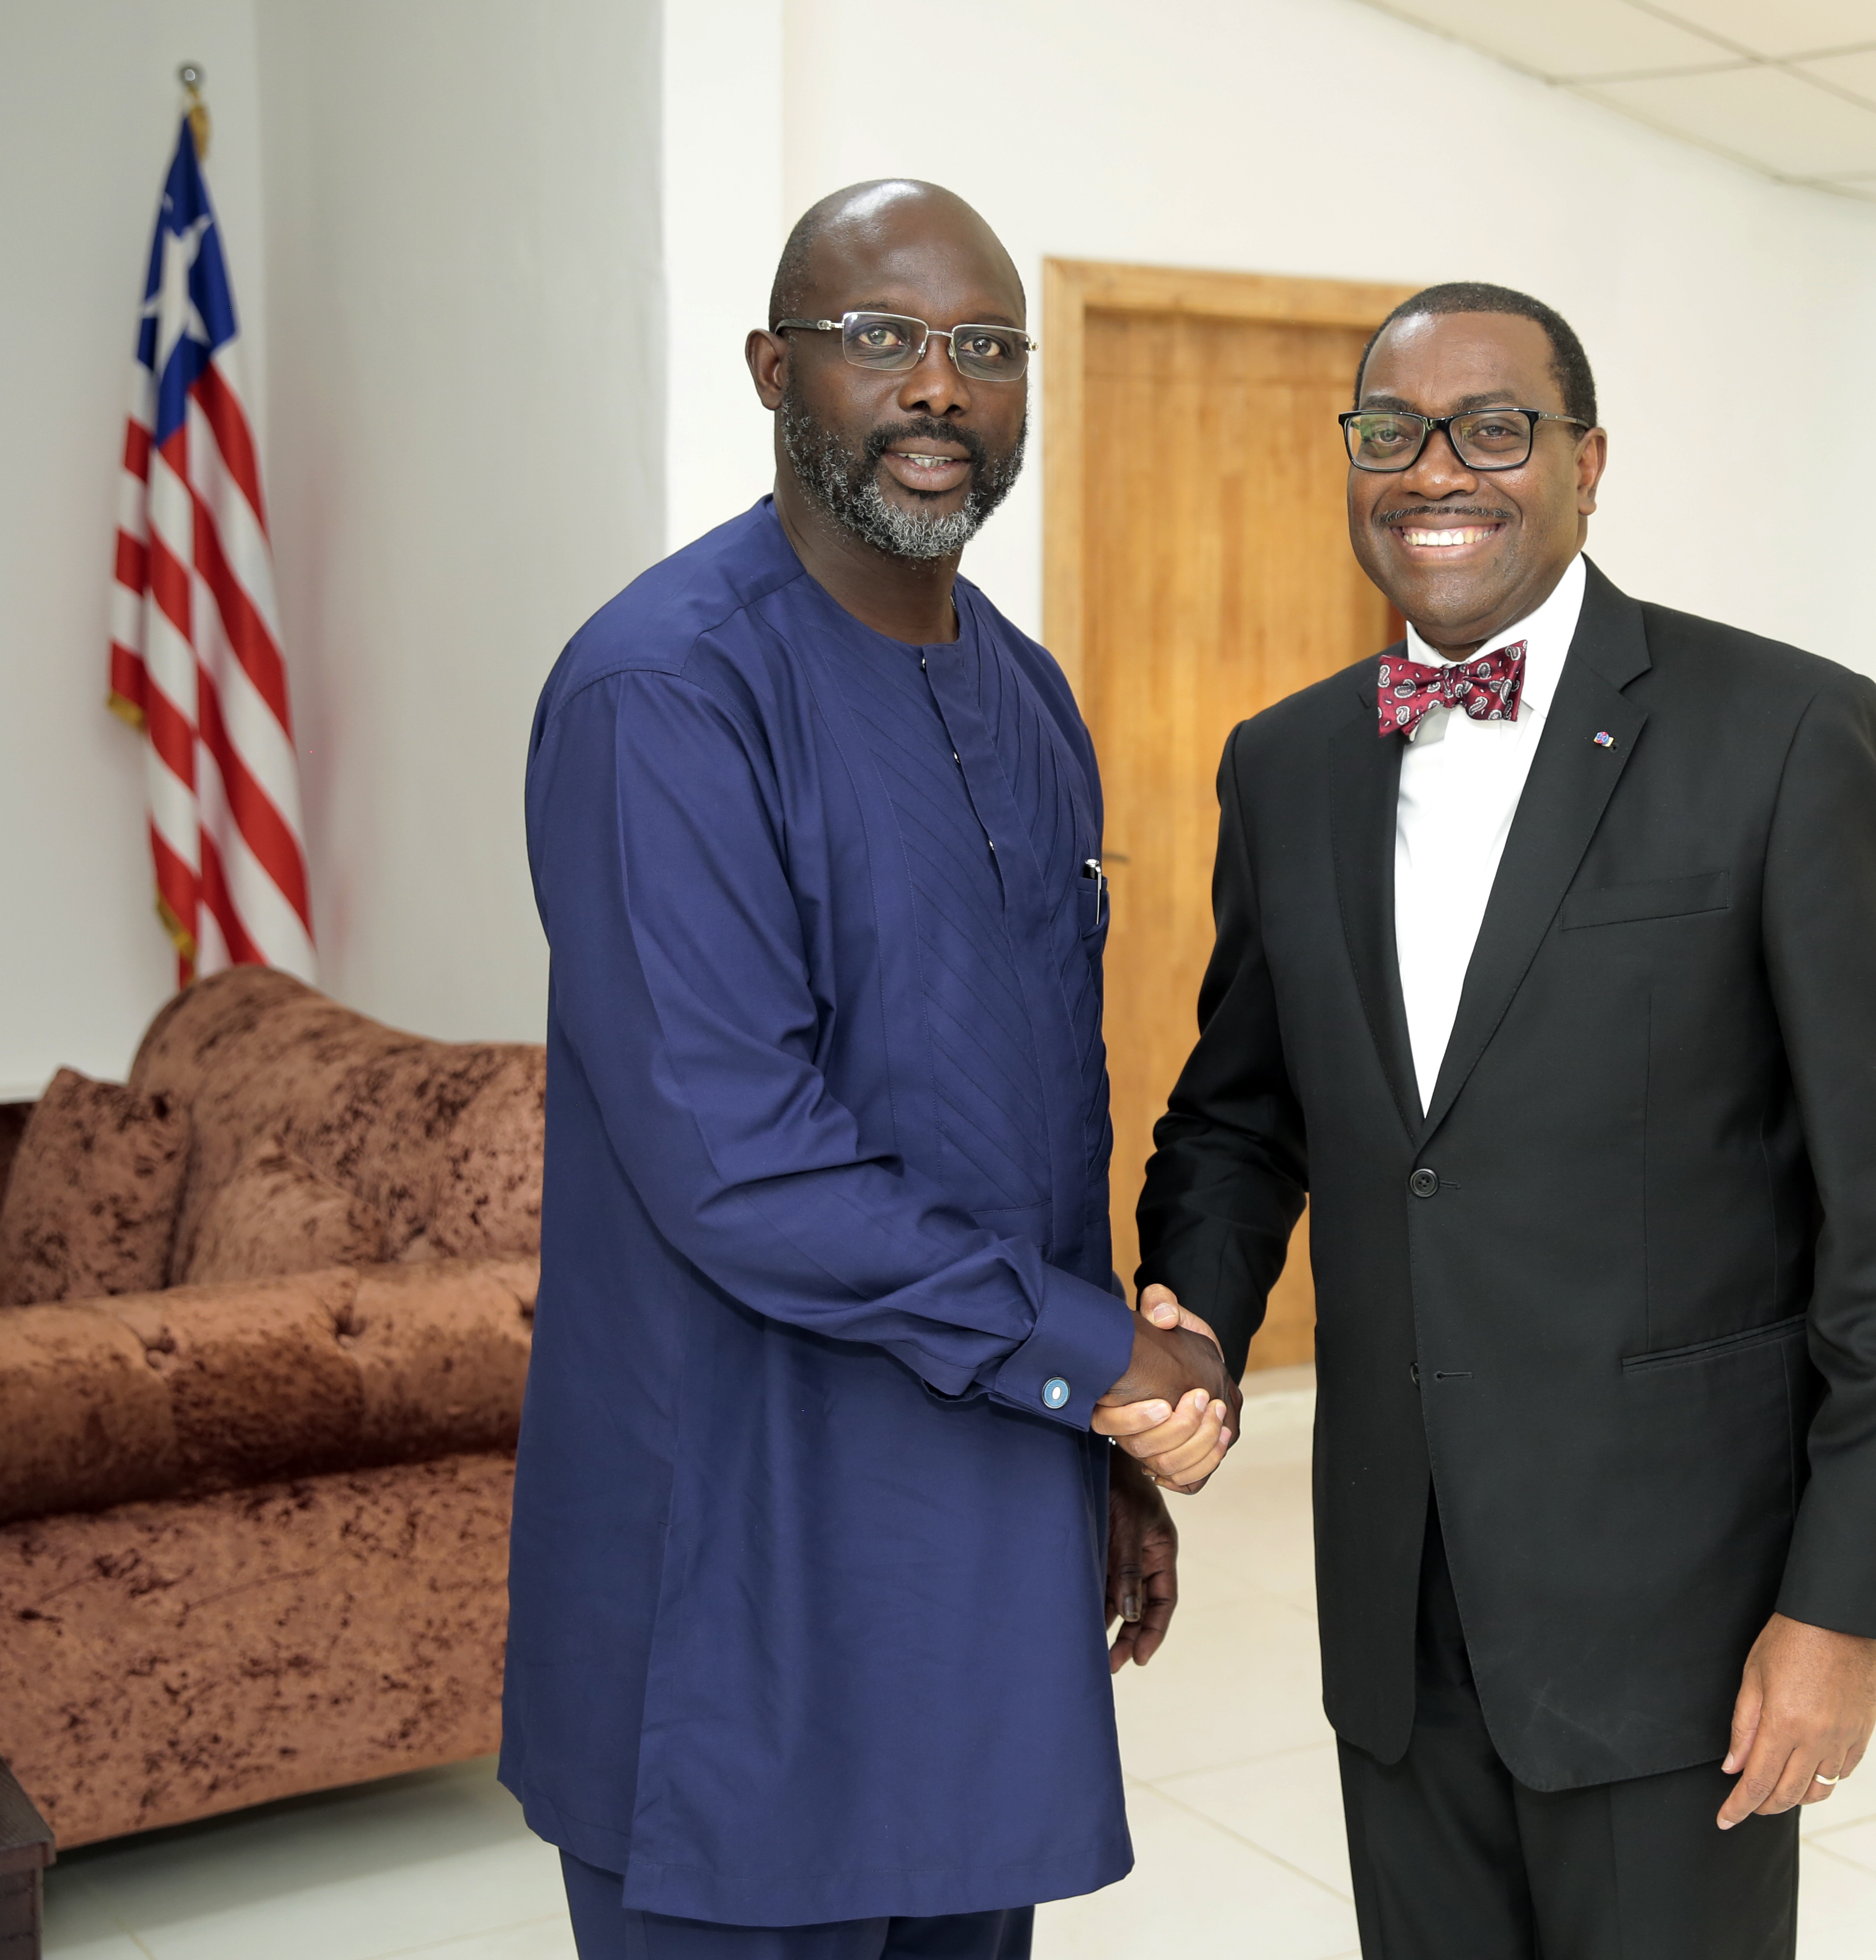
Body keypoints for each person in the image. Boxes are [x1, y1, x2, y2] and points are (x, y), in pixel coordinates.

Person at [1133, 283, 1876, 1958]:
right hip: (1396, 1592)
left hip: (1683, 1611)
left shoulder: (1788, 735)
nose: (1434, 470)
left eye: (1495, 429)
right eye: (1389, 434)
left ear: (1587, 465)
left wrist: (1841, 1605)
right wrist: (1193, 1323)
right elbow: (1241, 1114)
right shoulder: (1285, 762)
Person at [505, 180, 1237, 1960]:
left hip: (986, 1546)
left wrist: (1097, 1462)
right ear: (774, 369)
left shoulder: (1030, 691)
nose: (941, 388)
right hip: (743, 1565)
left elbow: (1048, 1128)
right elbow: (741, 1166)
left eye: (986, 349)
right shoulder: (663, 694)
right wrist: (1105, 1363)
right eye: (883, 339)